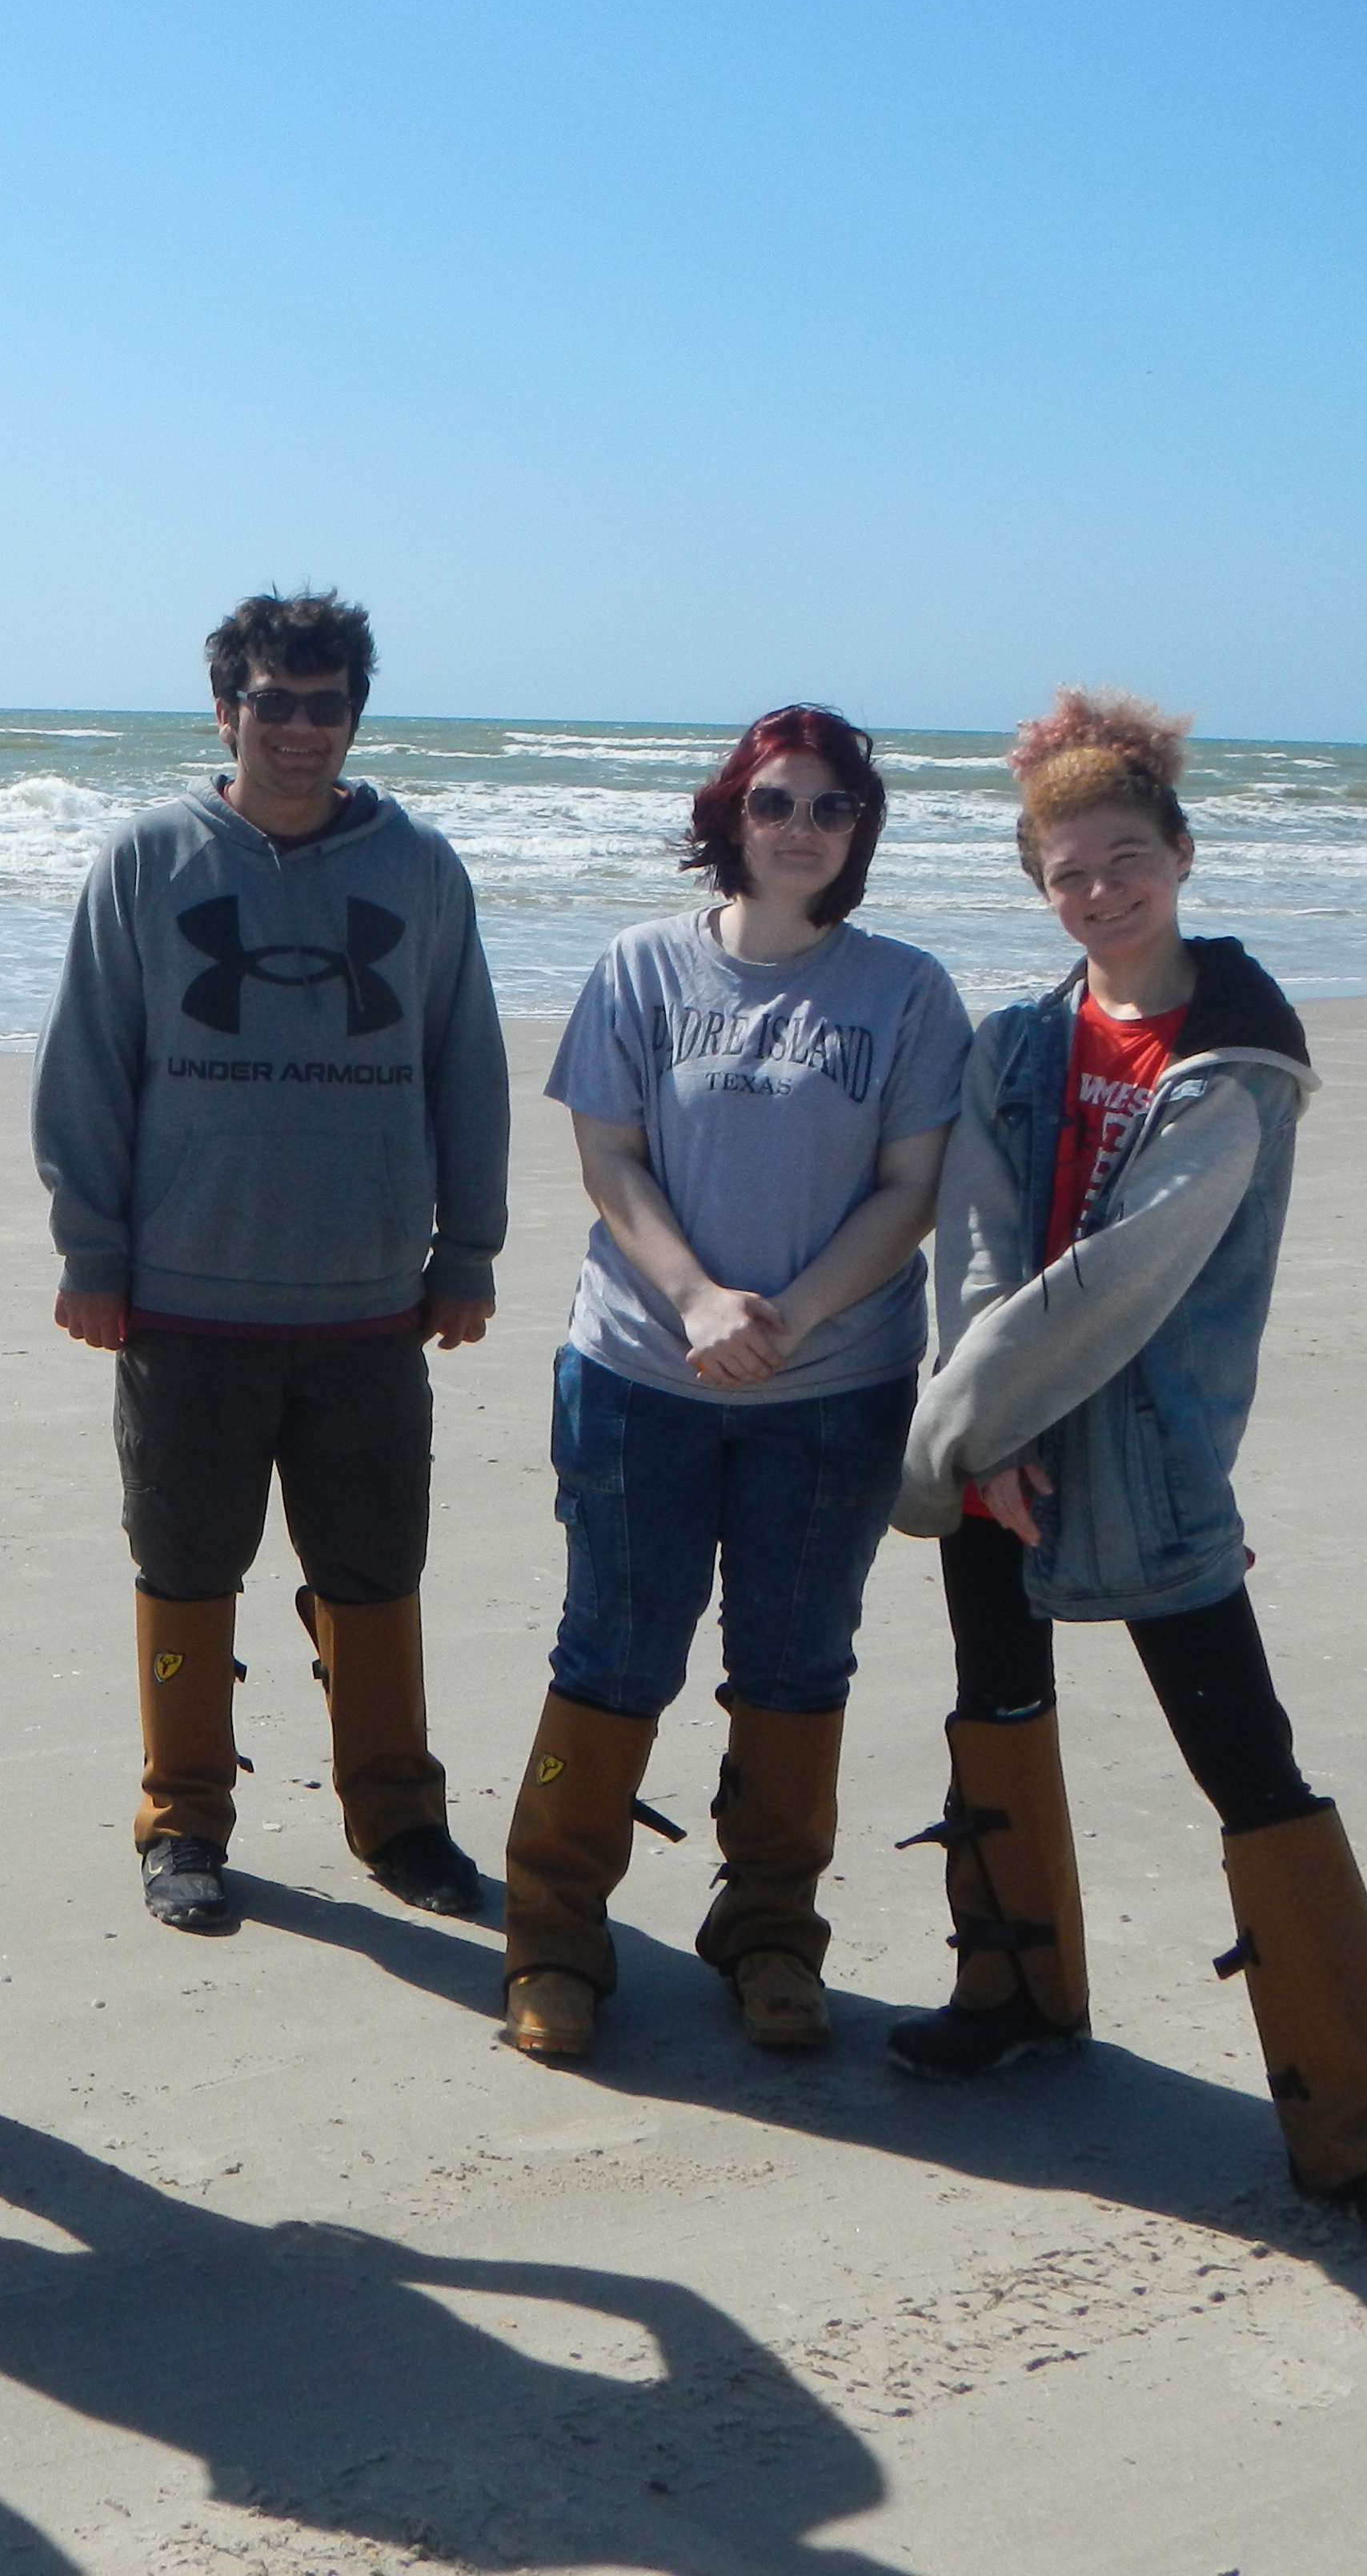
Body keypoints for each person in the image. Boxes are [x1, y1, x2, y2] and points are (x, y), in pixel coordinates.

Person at [888, 692, 1367, 2266]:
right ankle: (1014, 1996)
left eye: (1126, 862)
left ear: (1182, 858)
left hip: (1142, 1457)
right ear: (1041, 887)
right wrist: (982, 1433)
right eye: (1070, 872)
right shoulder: (1018, 1039)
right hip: (1001, 1442)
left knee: (1248, 1757)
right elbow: (983, 1246)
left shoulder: (1240, 1061)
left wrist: (957, 1443)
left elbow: (1129, 1278)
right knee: (994, 1705)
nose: (1101, 893)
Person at [34, 589, 511, 1935]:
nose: (298, 730)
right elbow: (87, 1070)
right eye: (272, 702)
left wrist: (466, 1248)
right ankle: (183, 1814)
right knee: (184, 1563)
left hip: (370, 1302)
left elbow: (465, 1067)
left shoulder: (416, 869)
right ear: (224, 710)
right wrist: (93, 1248)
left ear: (355, 714)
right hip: (185, 1299)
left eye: (326, 704)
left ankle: (398, 1815)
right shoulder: (147, 861)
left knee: (375, 1567)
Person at [498, 705, 969, 2065]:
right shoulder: (642, 968)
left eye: (832, 808)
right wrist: (701, 1303)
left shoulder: (906, 992)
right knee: (612, 1654)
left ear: (860, 829)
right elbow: (611, 1163)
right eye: (777, 802)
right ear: (731, 817)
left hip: (835, 1391)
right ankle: (553, 1936)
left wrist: (792, 1319)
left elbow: (911, 1189)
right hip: (641, 1372)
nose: (803, 829)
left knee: (796, 1662)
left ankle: (769, 1933)